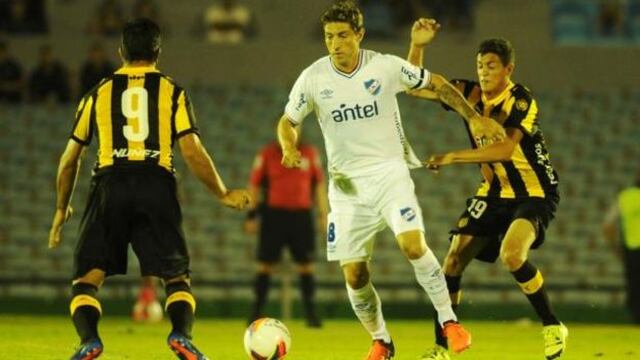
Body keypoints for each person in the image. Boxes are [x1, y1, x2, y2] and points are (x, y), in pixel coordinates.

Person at [276, 2, 503, 359]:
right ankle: (382, 340)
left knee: (413, 246)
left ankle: (449, 321)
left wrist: (473, 118)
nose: (335, 44)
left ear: (359, 35)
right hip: (346, 188)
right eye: (329, 37)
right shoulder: (313, 78)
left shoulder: (384, 66)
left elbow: (437, 84)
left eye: (343, 36)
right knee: (354, 275)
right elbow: (288, 120)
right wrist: (288, 147)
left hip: (389, 174)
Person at [48, 18, 252, 360]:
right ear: (158, 52)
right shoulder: (172, 91)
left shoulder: (97, 92)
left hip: (110, 182)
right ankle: (180, 335)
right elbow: (191, 150)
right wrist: (222, 192)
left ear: (120, 51)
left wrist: (60, 208)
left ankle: (90, 342)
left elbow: (70, 159)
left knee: (86, 280)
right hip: (157, 182)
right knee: (176, 277)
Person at [408, 34, 568, 359]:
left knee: (512, 255)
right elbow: (414, 86)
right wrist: (418, 46)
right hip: (493, 192)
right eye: (480, 65)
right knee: (451, 261)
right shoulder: (469, 94)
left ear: (508, 69)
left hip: (533, 191)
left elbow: (507, 149)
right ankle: (441, 348)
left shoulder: (520, 99)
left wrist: (453, 156)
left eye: (491, 66)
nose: (483, 72)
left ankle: (552, 325)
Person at [244, 138, 329, 328]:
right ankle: (256, 312)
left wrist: (324, 214)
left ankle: (311, 314)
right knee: (265, 265)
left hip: (302, 216)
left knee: (306, 265)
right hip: (274, 216)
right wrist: (251, 214)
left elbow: (320, 185)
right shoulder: (267, 154)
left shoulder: (310, 153)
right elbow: (255, 185)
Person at [602, 168, 640, 325]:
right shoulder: (625, 196)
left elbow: (608, 226)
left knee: (635, 288)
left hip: (632, 249)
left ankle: (636, 321)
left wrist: (615, 248)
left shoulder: (625, 197)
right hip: (632, 250)